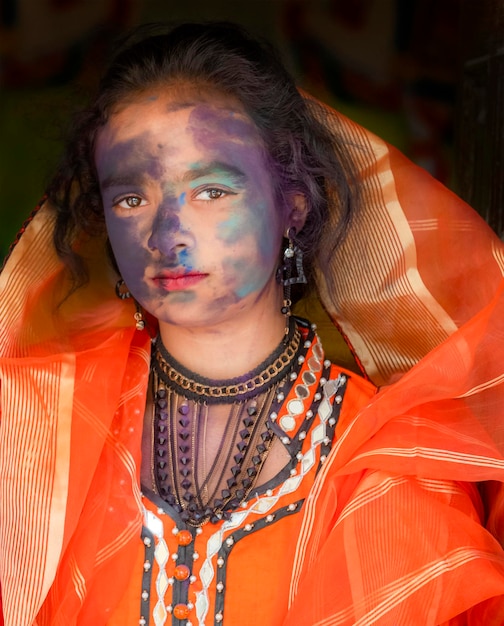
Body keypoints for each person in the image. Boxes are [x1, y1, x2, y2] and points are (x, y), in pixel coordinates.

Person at [1, 21, 504, 626]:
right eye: (131, 199)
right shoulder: (33, 428)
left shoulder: (387, 465)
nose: (166, 237)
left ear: (291, 202)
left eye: (211, 190)